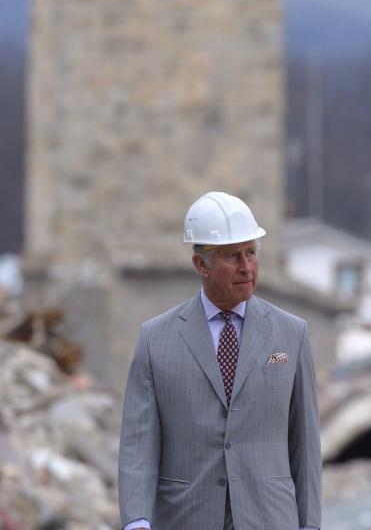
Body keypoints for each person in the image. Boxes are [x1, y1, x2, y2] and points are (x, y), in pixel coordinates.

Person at [118, 191, 322, 530]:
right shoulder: (155, 339)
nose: (247, 267)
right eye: (233, 256)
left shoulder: (292, 334)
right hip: (187, 518)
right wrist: (137, 520)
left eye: (251, 253)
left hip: (270, 519)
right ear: (201, 265)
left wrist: (310, 523)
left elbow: (306, 444)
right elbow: (138, 444)